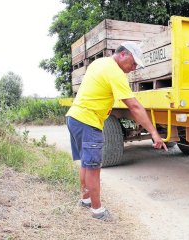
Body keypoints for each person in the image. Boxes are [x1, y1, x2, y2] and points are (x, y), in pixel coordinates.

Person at [66, 41, 167, 220]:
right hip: (88, 120)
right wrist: (153, 132)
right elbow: (134, 106)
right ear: (123, 55)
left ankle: (86, 199)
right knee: (94, 167)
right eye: (134, 63)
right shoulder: (115, 72)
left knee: (86, 162)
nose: (134, 68)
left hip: (75, 117)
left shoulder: (99, 63)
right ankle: (97, 211)